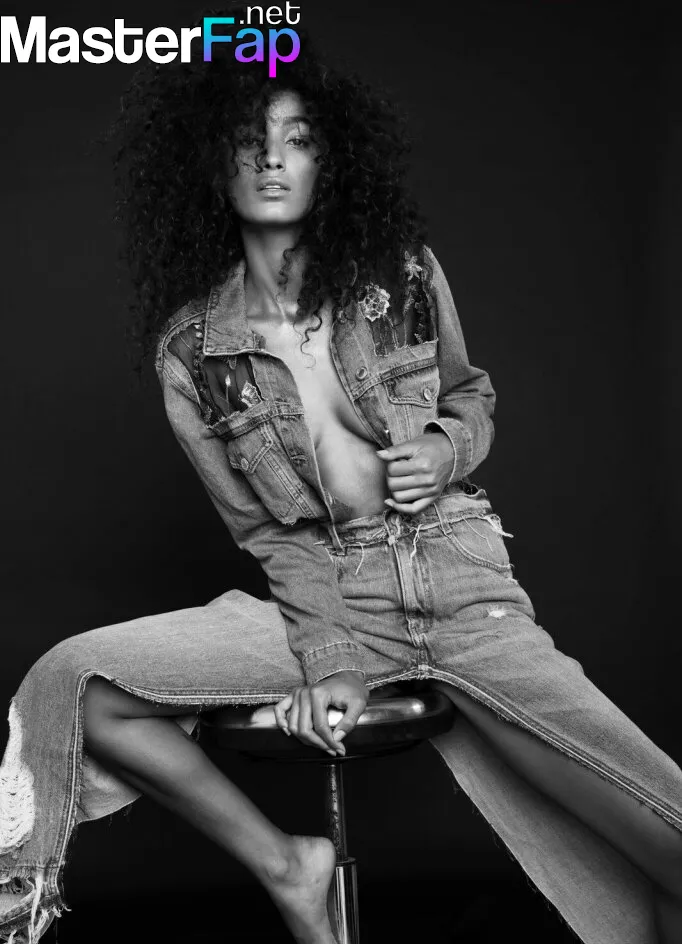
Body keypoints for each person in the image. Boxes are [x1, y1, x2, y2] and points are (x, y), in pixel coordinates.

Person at [1, 12, 682, 944]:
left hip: (460, 582)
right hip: (330, 597)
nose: (272, 159)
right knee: (75, 680)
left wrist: (445, 447)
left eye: (298, 139)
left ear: (331, 161)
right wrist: (330, 661)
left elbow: (470, 394)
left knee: (669, 844)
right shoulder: (192, 354)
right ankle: (289, 865)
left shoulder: (400, 276)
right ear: (211, 163)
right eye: (250, 140)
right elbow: (268, 533)